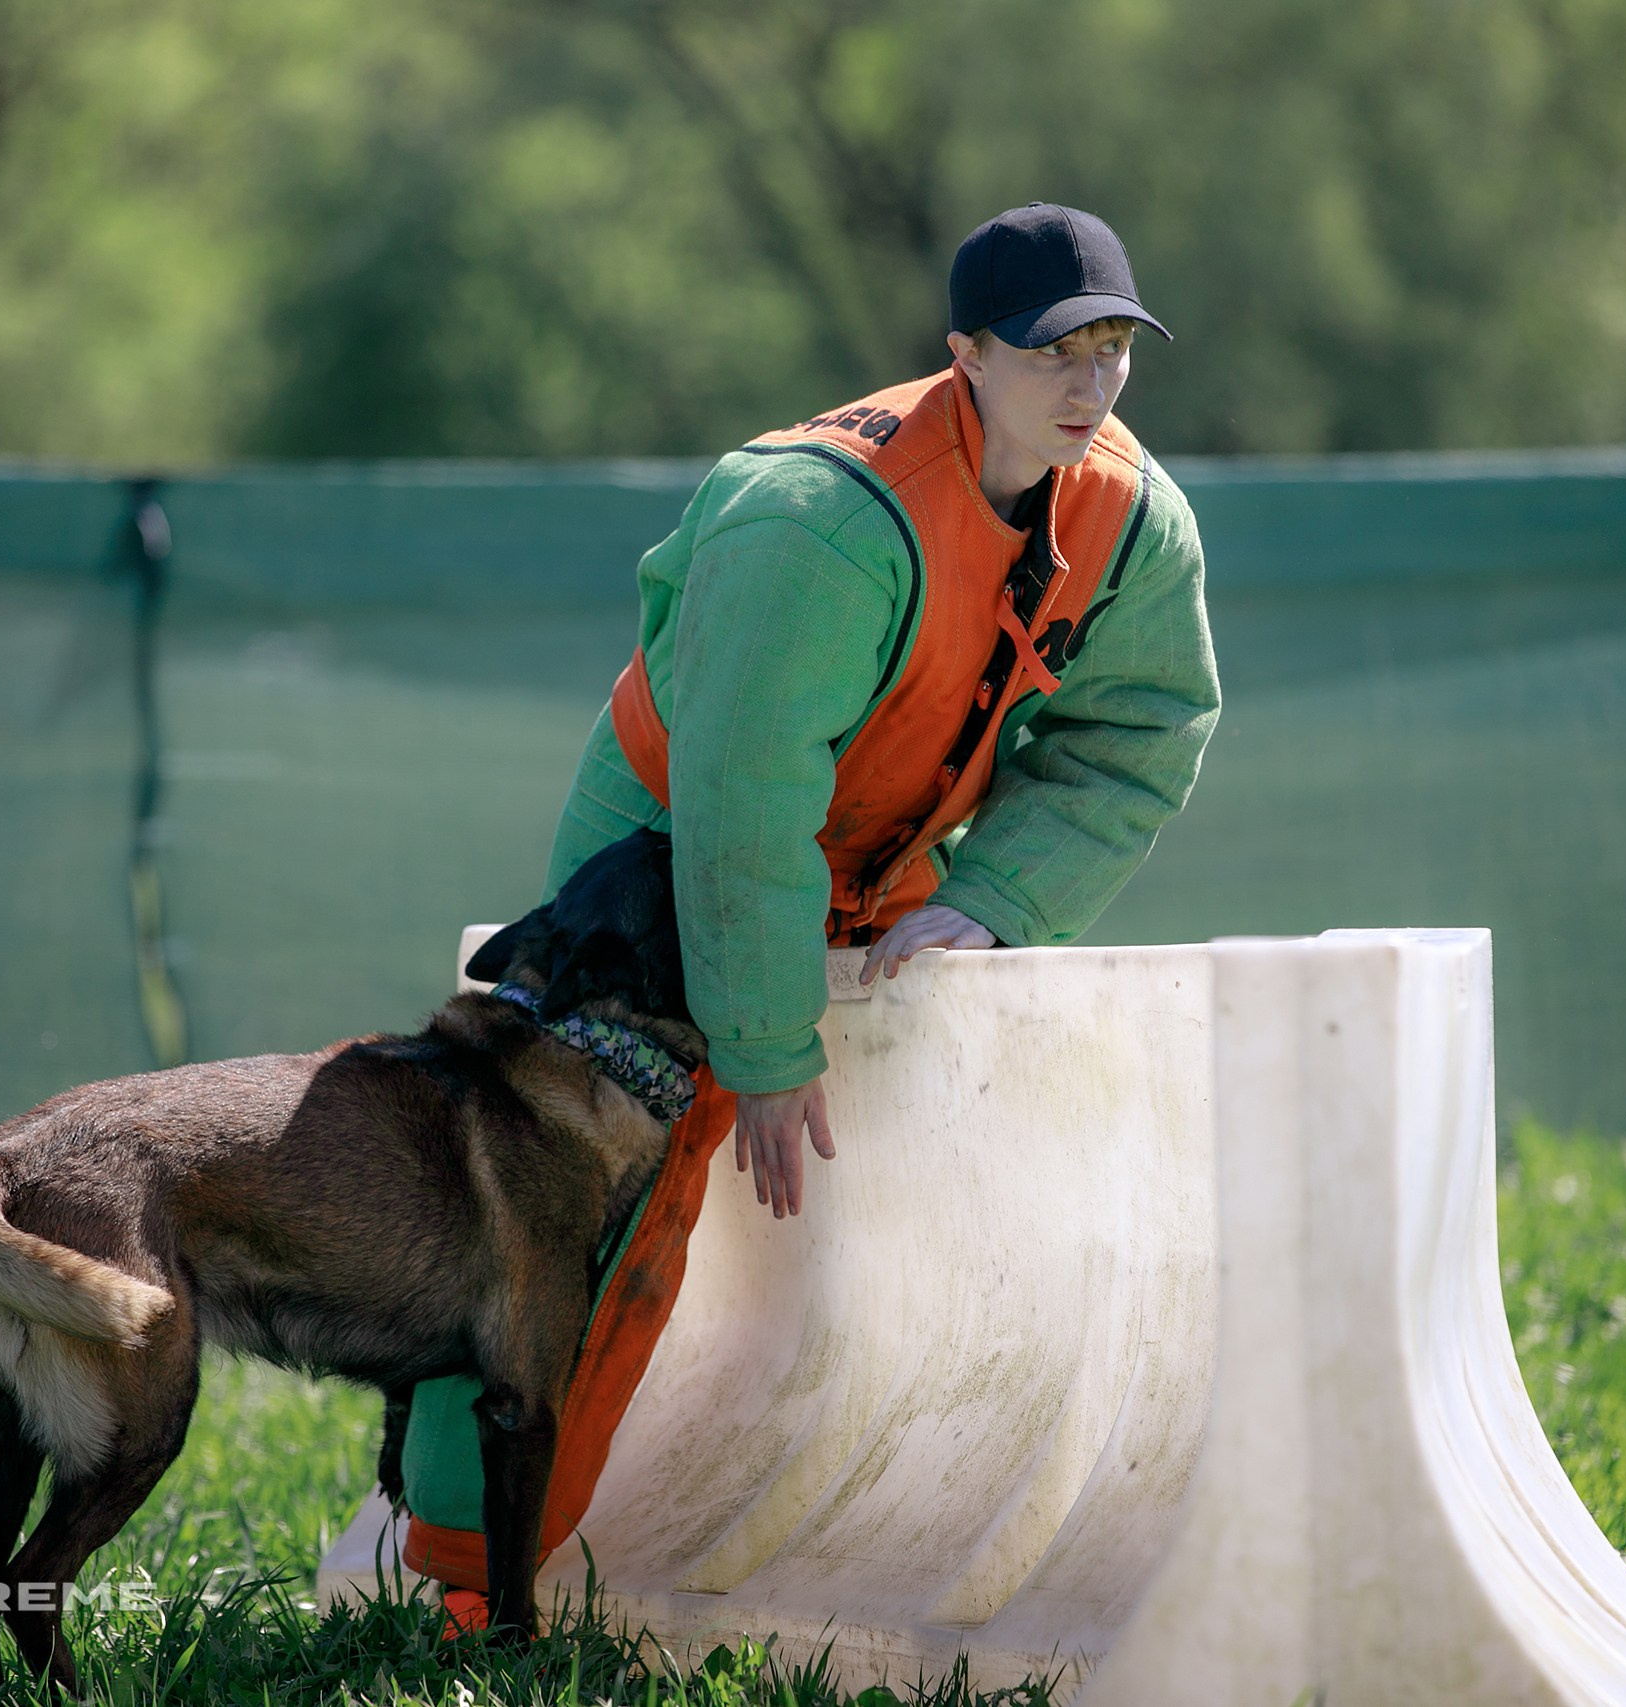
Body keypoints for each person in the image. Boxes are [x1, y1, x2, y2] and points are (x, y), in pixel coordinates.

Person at [396, 201, 1221, 1613]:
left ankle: (829, 1505)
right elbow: (742, 807)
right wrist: (765, 1048)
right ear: (964, 352)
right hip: (671, 848)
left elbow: (1140, 735)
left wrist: (997, 898)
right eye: (1051, 353)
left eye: (1113, 350)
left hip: (887, 845)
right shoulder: (818, 528)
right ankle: (458, 1579)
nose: (1090, 388)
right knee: (571, 1205)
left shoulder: (1136, 518)